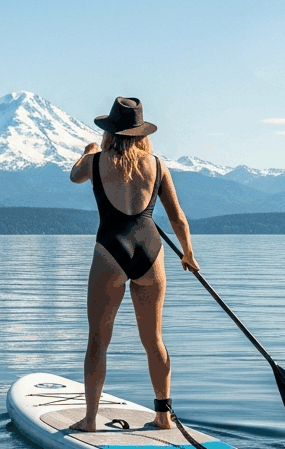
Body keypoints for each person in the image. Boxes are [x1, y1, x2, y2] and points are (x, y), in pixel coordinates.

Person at [68, 96, 200, 432]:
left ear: (109, 131)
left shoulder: (95, 161)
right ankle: (163, 416)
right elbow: (177, 217)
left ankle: (90, 419)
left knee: (98, 340)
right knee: (154, 340)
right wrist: (188, 253)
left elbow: (74, 176)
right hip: (150, 252)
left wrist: (86, 152)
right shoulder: (157, 164)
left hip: (109, 252)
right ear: (141, 133)